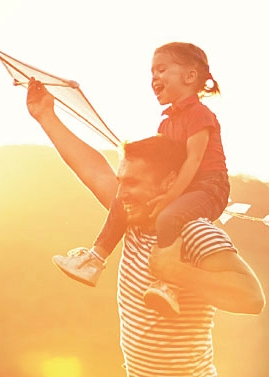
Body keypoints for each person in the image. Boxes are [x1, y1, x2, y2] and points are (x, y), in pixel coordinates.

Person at [25, 76, 265, 377]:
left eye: (133, 183)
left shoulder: (192, 231)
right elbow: (94, 170)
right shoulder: (131, 216)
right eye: (121, 180)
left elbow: (252, 297)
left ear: (168, 183)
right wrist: (46, 116)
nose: (121, 193)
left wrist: (176, 272)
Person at [52, 42, 230, 318]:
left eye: (161, 69)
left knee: (169, 216)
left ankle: (168, 285)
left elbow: (193, 161)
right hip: (180, 185)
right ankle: (94, 259)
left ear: (190, 76)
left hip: (208, 187)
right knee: (121, 202)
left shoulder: (200, 115)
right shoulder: (165, 123)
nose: (154, 78)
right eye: (152, 72)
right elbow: (162, 166)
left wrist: (169, 198)